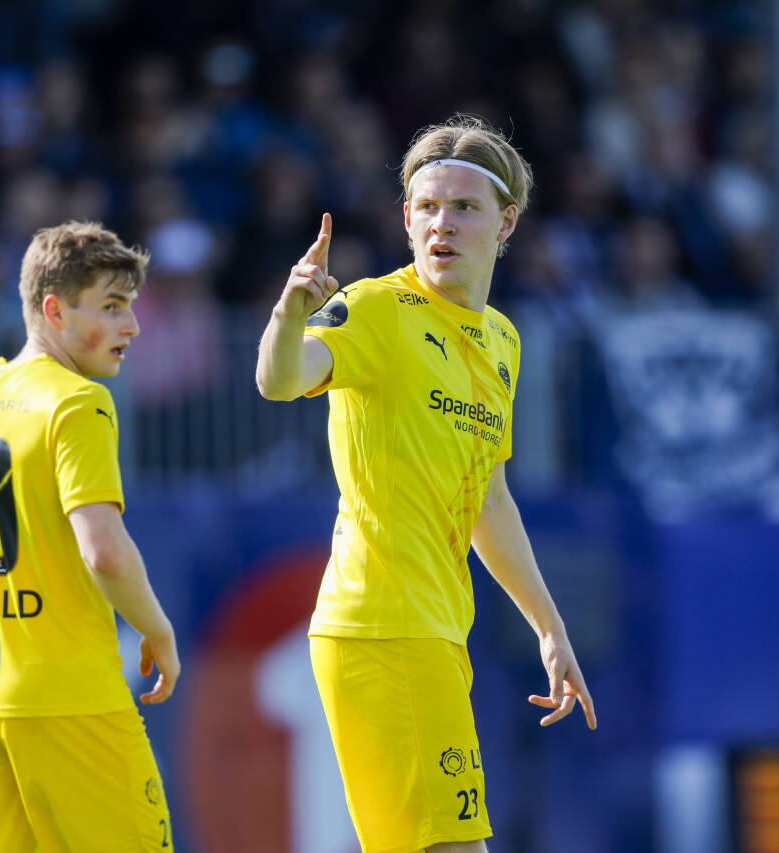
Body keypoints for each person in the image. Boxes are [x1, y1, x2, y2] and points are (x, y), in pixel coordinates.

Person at [256, 115, 597, 853]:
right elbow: (280, 379)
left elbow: (490, 498)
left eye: (465, 208)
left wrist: (548, 624)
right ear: (407, 219)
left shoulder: (502, 341)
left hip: (435, 630)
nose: (442, 224)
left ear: (506, 223)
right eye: (427, 207)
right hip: (384, 626)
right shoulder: (378, 309)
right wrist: (290, 312)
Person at [0, 221, 179, 851]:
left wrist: (10, 625)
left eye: (131, 307)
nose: (132, 327)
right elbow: (103, 550)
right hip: (68, 702)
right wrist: (157, 630)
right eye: (111, 307)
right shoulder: (75, 402)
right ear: (53, 310)